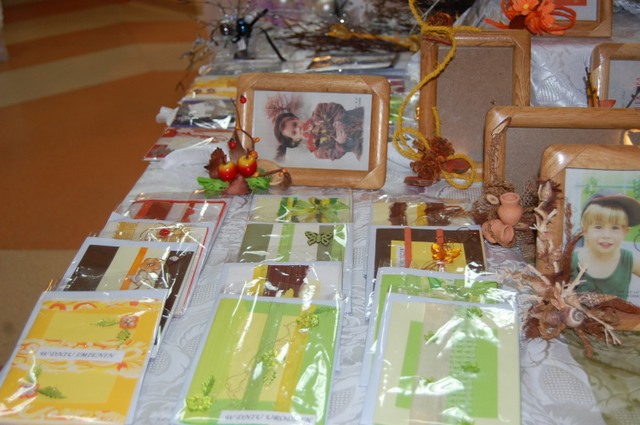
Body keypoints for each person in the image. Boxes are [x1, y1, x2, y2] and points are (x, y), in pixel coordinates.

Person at [572, 192, 640, 300]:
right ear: (585, 231)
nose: (606, 235)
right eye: (598, 227)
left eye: (615, 228)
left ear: (625, 232)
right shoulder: (570, 261)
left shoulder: (630, 260)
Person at [273, 102, 364, 161]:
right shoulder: (318, 151)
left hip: (357, 117)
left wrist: (338, 120)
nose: (298, 129)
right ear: (295, 140)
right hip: (356, 145)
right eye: (294, 133)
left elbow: (335, 108)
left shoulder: (319, 110)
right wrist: (341, 143)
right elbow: (334, 154)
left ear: (297, 119)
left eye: (295, 124)